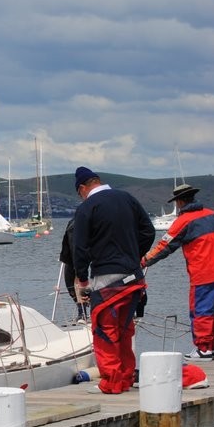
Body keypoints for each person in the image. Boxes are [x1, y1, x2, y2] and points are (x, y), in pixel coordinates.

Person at [72, 166, 155, 394]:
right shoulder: (127, 198)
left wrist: (82, 279)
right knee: (125, 329)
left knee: (104, 330)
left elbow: (79, 247)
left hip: (107, 280)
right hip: (134, 278)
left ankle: (111, 382)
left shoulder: (87, 208)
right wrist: (133, 255)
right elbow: (148, 231)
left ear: (82, 188)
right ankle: (127, 377)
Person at [141, 183, 214, 361]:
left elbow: (164, 246)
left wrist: (143, 261)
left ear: (179, 202)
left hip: (203, 273)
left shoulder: (183, 221)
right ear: (193, 198)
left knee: (201, 311)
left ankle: (203, 349)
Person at [59, 218, 89, 323]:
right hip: (70, 256)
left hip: (83, 255)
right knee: (69, 283)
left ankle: (83, 313)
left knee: (79, 280)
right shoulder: (72, 222)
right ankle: (81, 310)